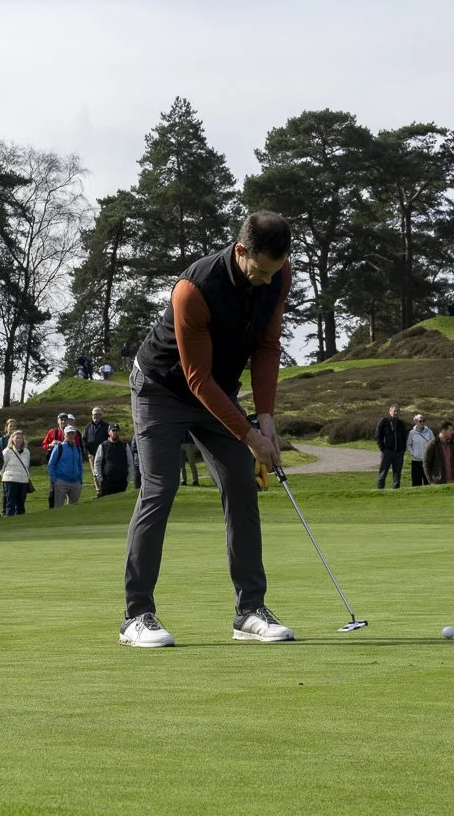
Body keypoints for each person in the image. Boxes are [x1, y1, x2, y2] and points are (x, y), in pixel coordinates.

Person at [120, 210, 296, 648]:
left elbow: (268, 346)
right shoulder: (193, 290)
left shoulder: (278, 275)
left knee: (241, 484)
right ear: (241, 252)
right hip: (161, 389)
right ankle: (136, 616)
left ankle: (249, 611)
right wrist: (251, 437)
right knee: (160, 489)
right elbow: (197, 380)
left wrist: (267, 418)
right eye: (259, 271)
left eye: (273, 272)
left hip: (216, 390)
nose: (264, 281)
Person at [47, 424, 85, 507]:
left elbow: (80, 465)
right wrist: (54, 479)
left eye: (73, 433)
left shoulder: (78, 449)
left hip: (75, 482)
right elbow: (51, 464)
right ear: (64, 435)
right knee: (58, 508)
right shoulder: (59, 447)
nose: (71, 436)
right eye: (69, 434)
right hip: (61, 482)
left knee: (73, 509)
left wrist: (80, 480)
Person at [0, 429, 32, 515]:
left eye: (20, 438)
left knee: (21, 503)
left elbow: (27, 466)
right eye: (16, 438)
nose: (18, 440)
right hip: (10, 481)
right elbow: (1, 467)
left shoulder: (27, 452)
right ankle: (9, 519)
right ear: (12, 439)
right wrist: (7, 476)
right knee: (10, 502)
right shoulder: (7, 451)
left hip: (23, 481)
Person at [95, 422, 132, 496]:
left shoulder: (125, 445)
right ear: (109, 432)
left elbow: (130, 462)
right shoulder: (103, 446)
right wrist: (100, 479)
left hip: (121, 482)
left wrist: (128, 478)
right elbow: (97, 463)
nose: (115, 432)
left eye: (117, 431)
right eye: (113, 431)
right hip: (107, 482)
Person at [375, 404, 406, 489]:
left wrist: (403, 449)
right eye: (394, 411)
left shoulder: (400, 423)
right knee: (383, 471)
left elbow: (404, 436)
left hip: (399, 452)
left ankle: (396, 488)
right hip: (387, 451)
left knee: (397, 472)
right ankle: (380, 488)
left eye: (397, 411)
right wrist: (382, 448)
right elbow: (378, 435)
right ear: (390, 411)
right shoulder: (384, 421)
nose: (396, 413)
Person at [405, 412, 432, 488]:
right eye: (420, 421)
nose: (422, 422)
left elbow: (433, 444)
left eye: (424, 421)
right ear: (416, 422)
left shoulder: (429, 432)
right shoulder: (412, 433)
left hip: (427, 460)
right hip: (416, 461)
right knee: (416, 482)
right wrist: (414, 454)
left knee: (427, 481)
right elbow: (408, 444)